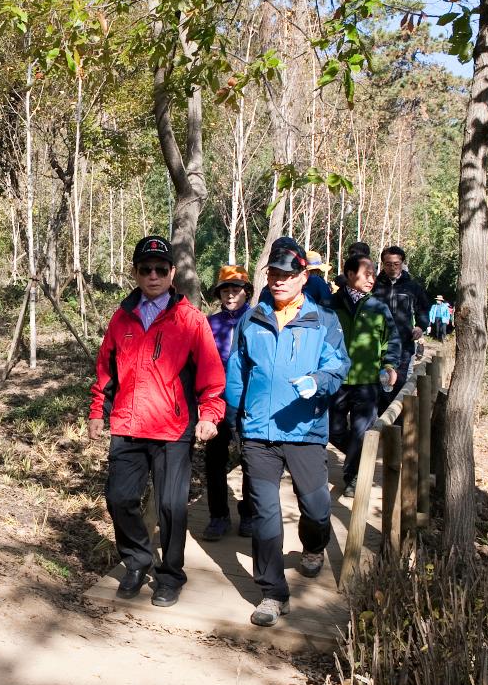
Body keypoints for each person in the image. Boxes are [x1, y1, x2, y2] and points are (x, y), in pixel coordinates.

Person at [89, 235, 227, 607]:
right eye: (146, 269)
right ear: (135, 273)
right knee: (119, 498)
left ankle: (171, 576)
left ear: (172, 273)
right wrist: (96, 411)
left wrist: (210, 414)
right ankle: (136, 561)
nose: (153, 275)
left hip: (173, 428)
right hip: (128, 425)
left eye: (160, 269)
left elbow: (212, 376)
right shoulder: (122, 318)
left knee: (171, 506)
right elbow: (105, 370)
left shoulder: (190, 320)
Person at [224, 236, 349, 628]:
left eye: (288, 274)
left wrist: (319, 381)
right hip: (259, 433)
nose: (279, 281)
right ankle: (273, 593)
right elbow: (237, 369)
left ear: (303, 277)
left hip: (305, 430)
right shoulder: (253, 317)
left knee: (316, 507)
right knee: (265, 514)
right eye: (274, 274)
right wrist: (234, 415)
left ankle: (314, 546)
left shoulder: (323, 320)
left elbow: (338, 366)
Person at [329, 255, 401, 497]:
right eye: (367, 274)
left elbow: (391, 340)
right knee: (334, 430)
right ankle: (357, 458)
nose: (372, 279)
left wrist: (390, 366)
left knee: (361, 431)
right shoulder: (330, 306)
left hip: (368, 383)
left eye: (373, 274)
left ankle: (352, 477)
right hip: (336, 381)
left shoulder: (378, 308)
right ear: (350, 275)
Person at [202, 265, 254, 541]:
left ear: (246, 292)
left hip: (248, 400)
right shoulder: (211, 323)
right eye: (226, 290)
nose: (231, 294)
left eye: (236, 289)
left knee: (250, 459)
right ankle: (218, 516)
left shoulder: (257, 320)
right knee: (214, 459)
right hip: (216, 401)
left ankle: (248, 514)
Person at [373, 246, 431, 405]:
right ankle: (379, 422)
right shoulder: (374, 286)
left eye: (396, 264)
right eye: (388, 264)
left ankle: (393, 422)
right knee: (378, 383)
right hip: (377, 343)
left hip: (404, 342)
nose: (392, 267)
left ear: (402, 263)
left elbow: (424, 308)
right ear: (383, 264)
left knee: (399, 382)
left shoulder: (412, 287)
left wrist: (420, 326)